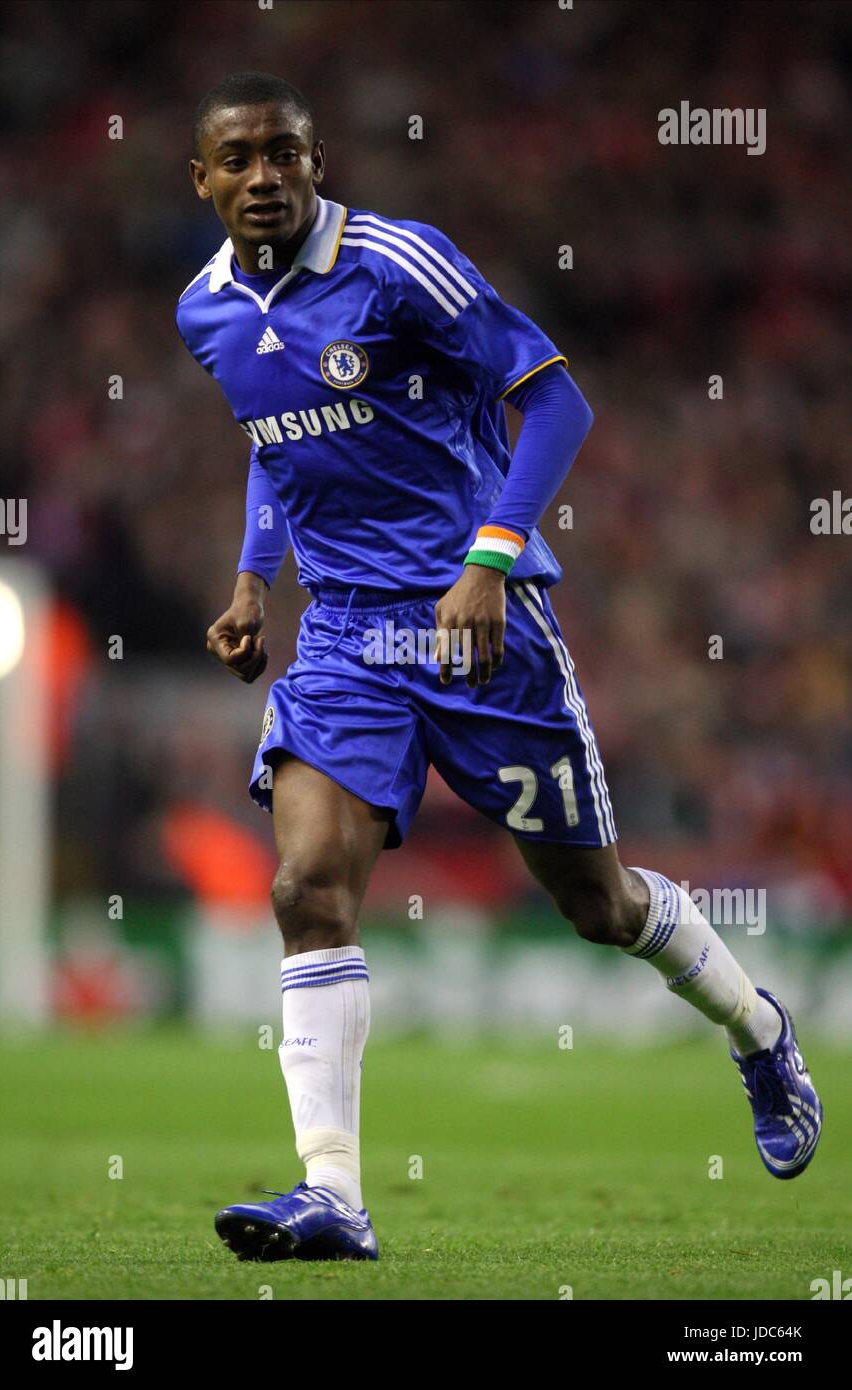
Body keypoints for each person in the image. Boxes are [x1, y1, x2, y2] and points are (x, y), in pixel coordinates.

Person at [176, 72, 822, 1263]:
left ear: (318, 164)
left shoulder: (396, 263)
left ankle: (758, 1030)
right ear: (202, 179)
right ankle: (333, 1196)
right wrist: (253, 581)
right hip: (348, 639)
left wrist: (489, 558)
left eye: (286, 155)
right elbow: (275, 448)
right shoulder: (205, 313)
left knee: (600, 906)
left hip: (483, 630)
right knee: (305, 887)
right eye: (239, 160)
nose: (264, 177)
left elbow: (558, 400)